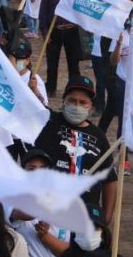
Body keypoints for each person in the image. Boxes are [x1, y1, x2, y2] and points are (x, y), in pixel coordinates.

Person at [31, 75, 119, 219]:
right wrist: (33, 91)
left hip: (85, 215)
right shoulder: (49, 122)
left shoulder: (99, 136)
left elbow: (109, 180)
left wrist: (107, 217)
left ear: (90, 106)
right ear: (64, 101)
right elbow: (33, 106)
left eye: (83, 102)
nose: (77, 105)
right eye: (72, 100)